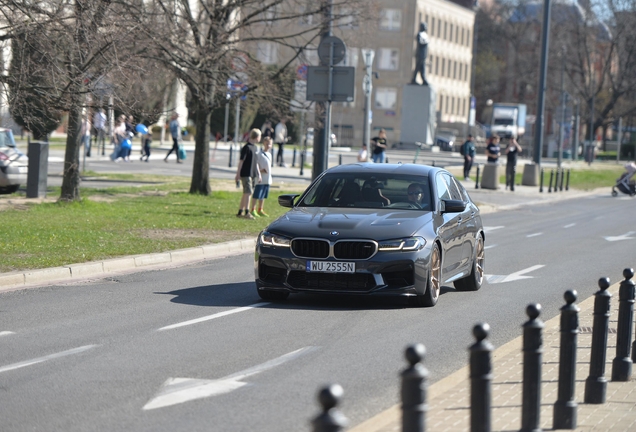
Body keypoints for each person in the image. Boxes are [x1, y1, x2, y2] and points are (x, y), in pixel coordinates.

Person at [235, 128, 262, 219]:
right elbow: (241, 161)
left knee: (246, 193)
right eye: (260, 136)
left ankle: (240, 211)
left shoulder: (256, 148)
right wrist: (238, 174)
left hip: (253, 173)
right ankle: (247, 212)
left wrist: (259, 174)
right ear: (257, 137)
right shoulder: (246, 148)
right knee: (248, 192)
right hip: (246, 173)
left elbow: (256, 163)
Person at [249, 136, 273, 218]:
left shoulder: (269, 154)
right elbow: (255, 164)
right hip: (260, 178)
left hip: (267, 179)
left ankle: (260, 209)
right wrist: (261, 171)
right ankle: (253, 209)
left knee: (263, 195)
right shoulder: (259, 154)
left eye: (269, 144)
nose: (268, 146)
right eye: (267, 144)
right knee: (257, 194)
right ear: (263, 144)